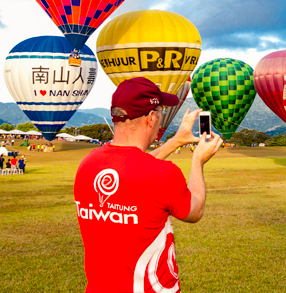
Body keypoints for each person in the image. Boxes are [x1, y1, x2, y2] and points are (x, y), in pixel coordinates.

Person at [74, 77, 222, 293]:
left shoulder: (87, 165)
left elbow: (129, 166)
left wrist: (175, 141)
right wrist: (197, 161)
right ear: (151, 118)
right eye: (161, 113)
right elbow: (195, 210)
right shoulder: (164, 174)